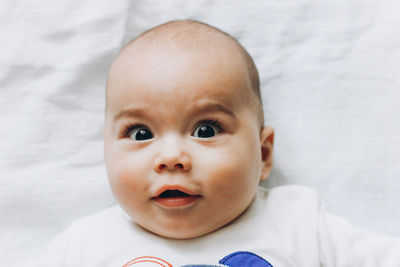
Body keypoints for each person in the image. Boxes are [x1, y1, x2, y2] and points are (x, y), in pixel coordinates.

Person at [31, 20, 400, 267]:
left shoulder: (300, 223)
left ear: (264, 153)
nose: (172, 157)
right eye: (140, 133)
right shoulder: (83, 247)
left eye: (205, 130)